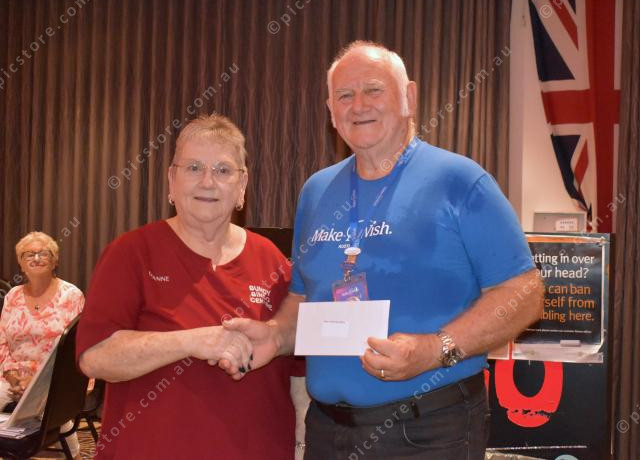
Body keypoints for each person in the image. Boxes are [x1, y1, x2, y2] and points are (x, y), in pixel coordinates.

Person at [221, 41, 544, 459]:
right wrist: (276, 335)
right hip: (327, 430)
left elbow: (525, 294)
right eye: (344, 95)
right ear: (331, 111)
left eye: (373, 90)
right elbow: (305, 298)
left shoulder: (461, 181)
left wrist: (434, 350)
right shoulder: (316, 191)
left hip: (429, 432)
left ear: (409, 97)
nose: (359, 105)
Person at [76, 114, 303, 459]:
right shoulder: (132, 253)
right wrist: (193, 341)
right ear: (172, 179)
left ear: (242, 186)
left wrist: (301, 445)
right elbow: (95, 357)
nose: (208, 182)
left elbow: (297, 371)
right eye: (194, 168)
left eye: (223, 170)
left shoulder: (271, 259)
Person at [1, 231, 84, 458]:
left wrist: (35, 383)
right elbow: (2, 342)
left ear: (54, 261)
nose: (36, 258)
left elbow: (75, 348)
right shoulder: (12, 296)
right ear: (20, 263)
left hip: (54, 380)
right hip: (12, 377)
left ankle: (70, 452)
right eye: (29, 254)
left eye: (43, 253)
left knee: (49, 409)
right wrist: (13, 377)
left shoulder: (71, 296)